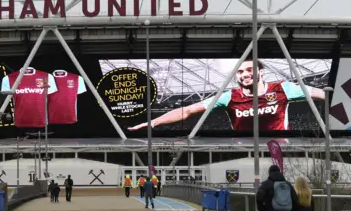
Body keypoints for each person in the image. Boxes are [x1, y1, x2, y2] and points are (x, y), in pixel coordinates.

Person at [128, 59, 325, 132]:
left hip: (281, 148)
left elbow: (321, 94)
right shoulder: (229, 97)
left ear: (260, 72)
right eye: (240, 72)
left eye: (249, 70)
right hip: (244, 149)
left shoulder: (283, 88)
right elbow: (187, 110)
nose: (245, 74)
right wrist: (153, 122)